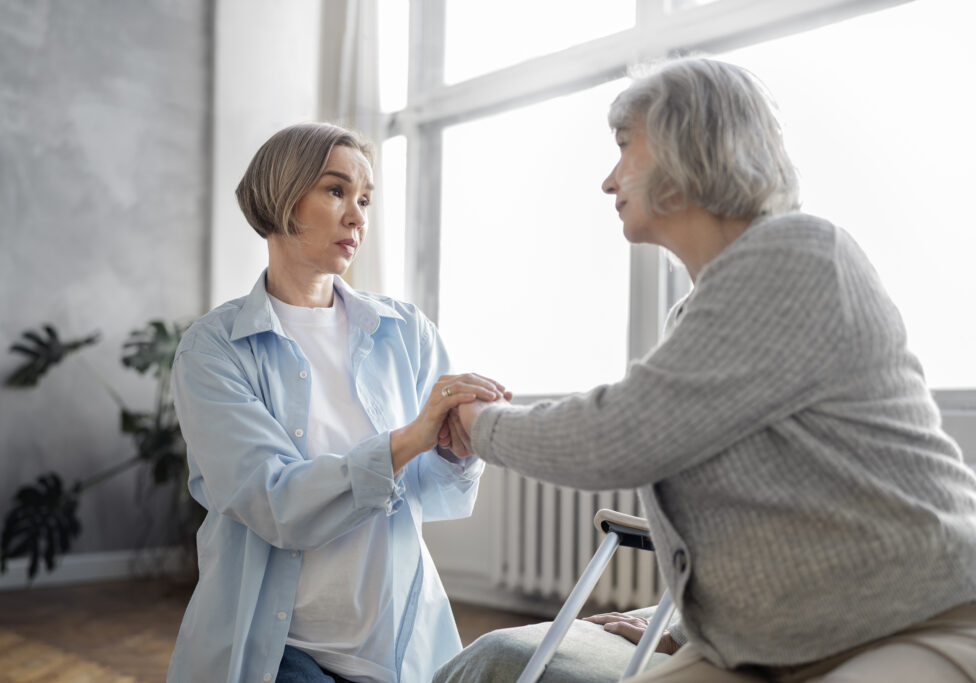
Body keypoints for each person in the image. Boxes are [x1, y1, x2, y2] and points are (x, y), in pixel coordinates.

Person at [454, 57, 976, 682]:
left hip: (917, 614)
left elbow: (618, 437)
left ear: (686, 149)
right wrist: (682, 627)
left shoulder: (798, 255)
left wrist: (475, 420)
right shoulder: (699, 310)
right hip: (778, 643)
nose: (608, 179)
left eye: (625, 148)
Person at [166, 122, 508, 683]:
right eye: (336, 191)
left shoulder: (406, 331)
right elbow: (275, 502)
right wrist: (407, 440)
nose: (358, 216)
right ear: (281, 196)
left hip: (394, 643)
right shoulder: (213, 349)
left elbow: (432, 493)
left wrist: (455, 450)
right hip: (282, 649)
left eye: (365, 199)